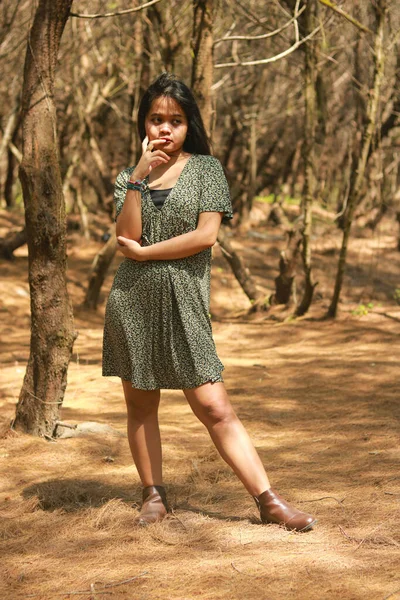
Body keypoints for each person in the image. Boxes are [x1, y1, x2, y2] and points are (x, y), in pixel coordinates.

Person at [102, 73, 316, 532]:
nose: (164, 129)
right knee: (140, 406)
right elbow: (128, 236)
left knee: (215, 406)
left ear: (188, 124)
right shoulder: (128, 177)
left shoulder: (207, 170)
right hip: (133, 302)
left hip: (186, 303)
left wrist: (145, 254)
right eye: (156, 119)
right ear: (142, 123)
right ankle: (153, 496)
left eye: (175, 121)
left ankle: (268, 501)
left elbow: (205, 237)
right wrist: (138, 179)